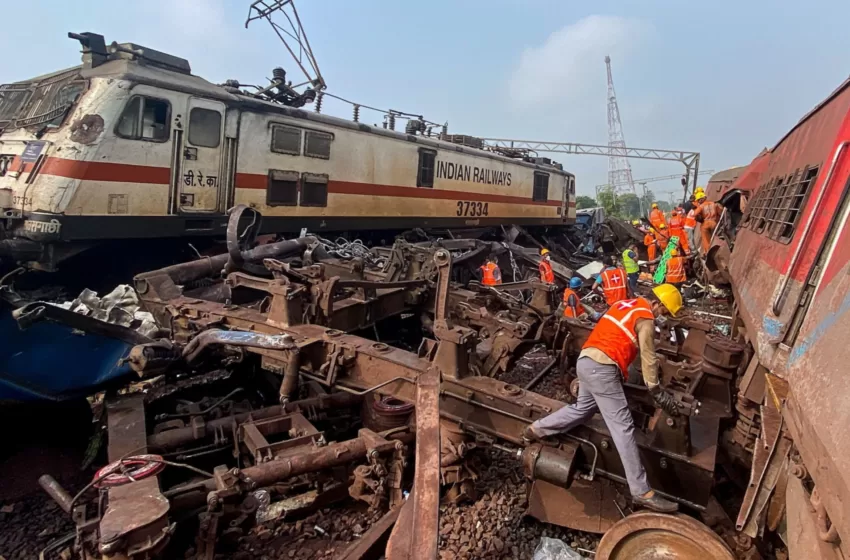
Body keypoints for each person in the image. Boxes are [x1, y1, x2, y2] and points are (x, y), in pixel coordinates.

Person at [523, 284, 684, 513]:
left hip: (586, 361)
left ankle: (536, 429)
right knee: (623, 428)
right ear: (658, 304)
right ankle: (641, 491)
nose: (661, 317)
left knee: (582, 409)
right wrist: (656, 391)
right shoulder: (645, 318)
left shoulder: (623, 304)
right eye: (664, 312)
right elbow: (649, 358)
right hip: (603, 368)